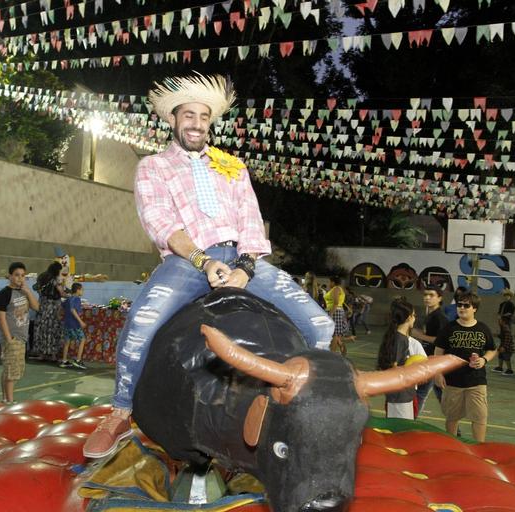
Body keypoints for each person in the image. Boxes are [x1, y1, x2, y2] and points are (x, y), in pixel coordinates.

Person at [82, 74, 335, 459]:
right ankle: (119, 412)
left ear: (210, 122)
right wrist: (203, 261)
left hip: (242, 260)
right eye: (189, 115)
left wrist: (246, 269)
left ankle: (302, 406)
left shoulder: (232, 167)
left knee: (320, 324)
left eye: (203, 116)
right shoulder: (153, 167)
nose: (197, 123)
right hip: (187, 261)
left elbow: (251, 221)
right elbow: (161, 223)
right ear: (173, 119)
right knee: (141, 322)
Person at [434, 291, 497, 442]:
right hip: (452, 382)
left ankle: (479, 448)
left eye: (466, 305)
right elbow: (438, 353)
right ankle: (453, 445)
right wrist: (437, 373)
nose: (461, 308)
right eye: (459, 305)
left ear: (474, 308)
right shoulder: (449, 328)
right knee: (452, 417)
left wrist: (484, 360)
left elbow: (492, 349)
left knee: (479, 417)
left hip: (477, 382)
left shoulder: (483, 329)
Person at [0, 262, 39, 404]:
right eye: (17, 275)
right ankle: (10, 401)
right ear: (10, 276)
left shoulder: (23, 291)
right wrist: (9, 339)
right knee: (12, 372)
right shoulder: (4, 294)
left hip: (22, 336)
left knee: (11, 370)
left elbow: (36, 307)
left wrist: (27, 291)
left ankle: (5, 399)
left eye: (23, 276)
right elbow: (1, 318)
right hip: (13, 337)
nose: (20, 278)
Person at [377, 298, 427, 419]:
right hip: (399, 396)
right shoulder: (400, 340)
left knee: (403, 429)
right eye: (414, 315)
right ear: (409, 318)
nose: (415, 318)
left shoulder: (398, 337)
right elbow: (394, 368)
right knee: (400, 431)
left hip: (403, 394)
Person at [411, 285, 449, 412]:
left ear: (439, 298)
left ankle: (411, 421)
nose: (427, 298)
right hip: (428, 359)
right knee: (440, 395)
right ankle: (455, 427)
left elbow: (441, 340)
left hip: (434, 361)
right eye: (425, 295)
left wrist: (419, 335)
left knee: (421, 393)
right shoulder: (430, 315)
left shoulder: (440, 317)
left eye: (431, 295)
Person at [32, 261, 66, 361]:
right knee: (53, 329)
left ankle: (41, 354)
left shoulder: (42, 276)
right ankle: (53, 355)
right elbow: (61, 292)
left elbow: (36, 288)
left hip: (43, 304)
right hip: (54, 306)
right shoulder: (56, 279)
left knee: (41, 328)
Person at [60, 283, 88, 370]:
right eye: (82, 290)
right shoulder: (76, 299)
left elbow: (61, 308)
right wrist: (80, 321)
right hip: (74, 324)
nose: (83, 291)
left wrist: (60, 316)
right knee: (82, 339)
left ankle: (64, 361)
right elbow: (72, 310)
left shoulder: (68, 299)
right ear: (78, 290)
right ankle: (78, 360)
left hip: (67, 323)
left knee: (67, 341)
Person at [325, 276, 353, 354]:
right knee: (334, 334)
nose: (329, 283)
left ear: (333, 282)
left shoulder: (336, 289)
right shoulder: (336, 289)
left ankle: (332, 353)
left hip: (335, 312)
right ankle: (341, 346)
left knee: (334, 334)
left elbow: (336, 302)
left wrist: (330, 314)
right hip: (335, 311)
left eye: (329, 282)